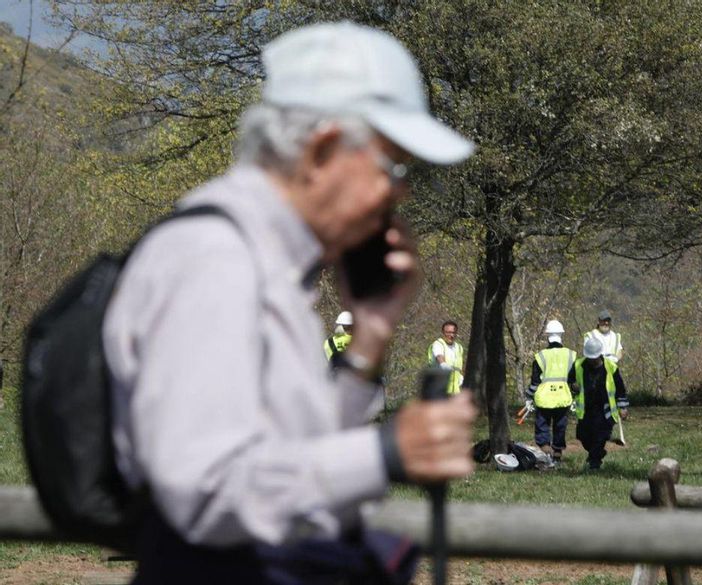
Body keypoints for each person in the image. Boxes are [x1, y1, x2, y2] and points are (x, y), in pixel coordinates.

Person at [102, 22, 479, 583]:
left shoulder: (264, 263)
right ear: (324, 149)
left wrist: (369, 339)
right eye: (393, 165)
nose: (399, 193)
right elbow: (204, 491)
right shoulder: (214, 259)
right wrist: (385, 453)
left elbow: (293, 463)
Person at [571, 337, 629, 470]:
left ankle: (594, 463)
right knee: (583, 437)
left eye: (594, 357)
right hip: (586, 410)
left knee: (600, 437)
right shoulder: (578, 365)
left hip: (605, 411)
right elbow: (570, 380)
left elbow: (620, 389)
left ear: (600, 354)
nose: (591, 360)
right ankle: (596, 453)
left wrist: (623, 407)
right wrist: (572, 385)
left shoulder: (611, 367)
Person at [524, 320, 576, 463]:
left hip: (544, 399)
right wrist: (575, 396)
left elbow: (535, 382)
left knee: (542, 426)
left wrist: (528, 397)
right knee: (560, 426)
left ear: (547, 336)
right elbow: (573, 380)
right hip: (562, 398)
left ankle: (545, 449)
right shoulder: (571, 355)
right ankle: (557, 451)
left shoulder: (540, 356)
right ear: (561, 336)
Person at [427, 320, 464, 394]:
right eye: (448, 332)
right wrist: (443, 364)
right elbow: (439, 356)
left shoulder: (459, 347)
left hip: (455, 392)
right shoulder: (438, 344)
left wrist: (462, 377)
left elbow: (461, 366)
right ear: (443, 333)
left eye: (453, 332)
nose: (451, 335)